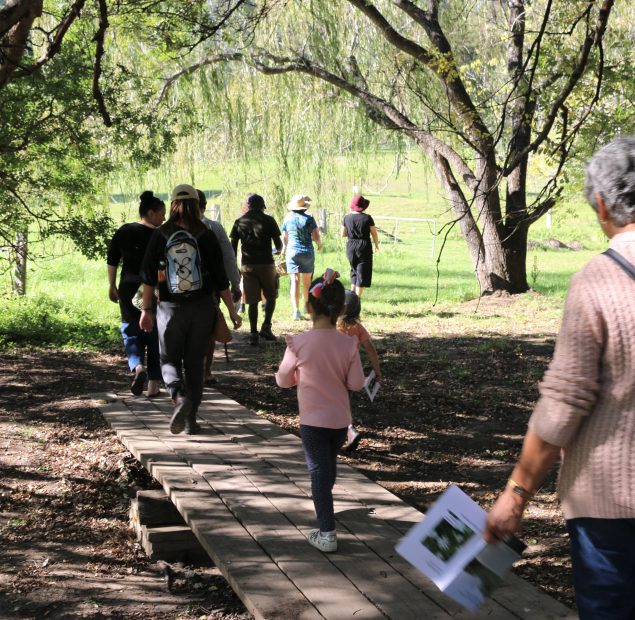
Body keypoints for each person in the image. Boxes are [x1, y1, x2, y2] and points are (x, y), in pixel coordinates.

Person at [484, 136, 635, 620]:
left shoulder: (599, 280)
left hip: (613, 511)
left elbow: (562, 406)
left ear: (602, 204)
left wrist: (516, 494)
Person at [139, 184, 242, 435]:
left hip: (170, 309)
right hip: (203, 308)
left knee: (169, 359)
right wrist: (231, 310)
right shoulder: (205, 234)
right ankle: (191, 421)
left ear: (172, 204)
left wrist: (146, 309)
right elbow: (220, 279)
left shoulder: (161, 234)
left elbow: (148, 276)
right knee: (195, 363)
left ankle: (178, 396)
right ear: (197, 204)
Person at [275, 269, 365, 553]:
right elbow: (357, 383)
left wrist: (297, 378)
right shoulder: (348, 343)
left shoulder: (299, 343)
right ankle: (325, 509)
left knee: (318, 472)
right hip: (340, 422)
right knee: (328, 466)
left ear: (308, 306)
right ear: (341, 309)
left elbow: (282, 380)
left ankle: (327, 532)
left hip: (313, 422)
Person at [107, 191, 165, 397]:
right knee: (154, 336)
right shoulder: (161, 235)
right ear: (150, 213)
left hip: (127, 286)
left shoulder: (124, 230)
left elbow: (112, 259)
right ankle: (153, 386)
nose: (164, 218)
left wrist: (111, 285)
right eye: (161, 214)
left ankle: (138, 367)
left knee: (131, 331)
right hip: (154, 289)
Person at [197, 189, 242, 383]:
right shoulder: (214, 228)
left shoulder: (168, 229)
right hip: (211, 288)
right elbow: (228, 257)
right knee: (209, 328)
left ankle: (185, 370)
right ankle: (206, 371)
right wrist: (235, 283)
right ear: (204, 206)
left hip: (177, 290)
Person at [230, 193, 283, 346]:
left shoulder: (239, 222)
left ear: (248, 206)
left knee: (252, 301)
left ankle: (253, 334)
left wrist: (235, 266)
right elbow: (279, 245)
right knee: (271, 296)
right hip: (266, 264)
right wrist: (274, 251)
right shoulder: (269, 220)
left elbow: (233, 248)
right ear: (262, 206)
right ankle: (266, 326)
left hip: (247, 265)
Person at [337, 289, 382, 452]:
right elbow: (370, 349)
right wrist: (377, 371)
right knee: (345, 403)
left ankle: (347, 431)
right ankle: (348, 430)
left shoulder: (332, 325)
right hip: (351, 373)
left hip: (333, 371)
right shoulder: (358, 328)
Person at [281, 194, 322, 320]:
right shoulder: (309, 218)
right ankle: (306, 305)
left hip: (292, 252)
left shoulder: (287, 218)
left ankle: (296, 311)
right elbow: (316, 236)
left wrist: (284, 248)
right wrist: (319, 245)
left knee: (295, 281)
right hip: (307, 252)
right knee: (307, 282)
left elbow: (284, 237)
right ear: (304, 206)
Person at [341, 194, 380, 298]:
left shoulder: (347, 218)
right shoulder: (367, 218)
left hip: (350, 246)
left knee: (354, 270)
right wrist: (376, 244)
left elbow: (343, 234)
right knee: (362, 272)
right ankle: (356, 301)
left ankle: (351, 297)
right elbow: (374, 233)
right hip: (364, 246)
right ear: (363, 207)